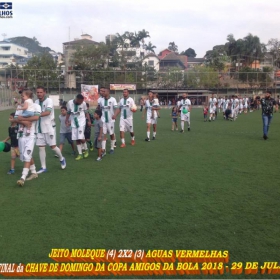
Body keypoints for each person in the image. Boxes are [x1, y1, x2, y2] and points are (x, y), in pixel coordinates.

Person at [9, 90, 42, 186]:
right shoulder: (20, 107)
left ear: (28, 96)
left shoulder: (36, 106)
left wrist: (23, 120)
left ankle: (22, 178)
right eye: (21, 96)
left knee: (27, 156)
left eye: (23, 95)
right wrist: (24, 122)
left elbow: (36, 118)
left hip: (31, 134)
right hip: (21, 135)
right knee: (25, 156)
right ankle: (34, 172)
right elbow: (14, 120)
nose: (22, 97)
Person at [35, 86, 66, 173]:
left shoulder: (49, 101)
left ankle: (61, 158)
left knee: (53, 147)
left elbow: (48, 112)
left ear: (44, 92)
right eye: (37, 92)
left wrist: (36, 115)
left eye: (41, 92)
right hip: (39, 128)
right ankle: (43, 167)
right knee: (41, 148)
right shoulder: (36, 102)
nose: (39, 94)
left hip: (49, 127)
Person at [66, 94, 91, 160]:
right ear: (77, 99)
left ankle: (86, 150)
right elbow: (68, 113)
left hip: (81, 122)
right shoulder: (70, 103)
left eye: (82, 101)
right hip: (74, 123)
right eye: (80, 101)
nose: (81, 102)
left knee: (81, 137)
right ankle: (80, 154)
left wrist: (89, 120)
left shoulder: (84, 104)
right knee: (77, 139)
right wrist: (66, 120)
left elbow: (86, 112)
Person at [98, 87, 117, 155]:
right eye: (102, 92)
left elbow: (116, 109)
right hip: (103, 120)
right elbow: (99, 108)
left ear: (108, 92)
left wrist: (115, 115)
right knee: (103, 135)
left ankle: (112, 148)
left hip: (110, 121)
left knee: (111, 134)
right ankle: (104, 149)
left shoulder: (113, 99)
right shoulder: (101, 100)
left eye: (104, 91)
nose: (103, 93)